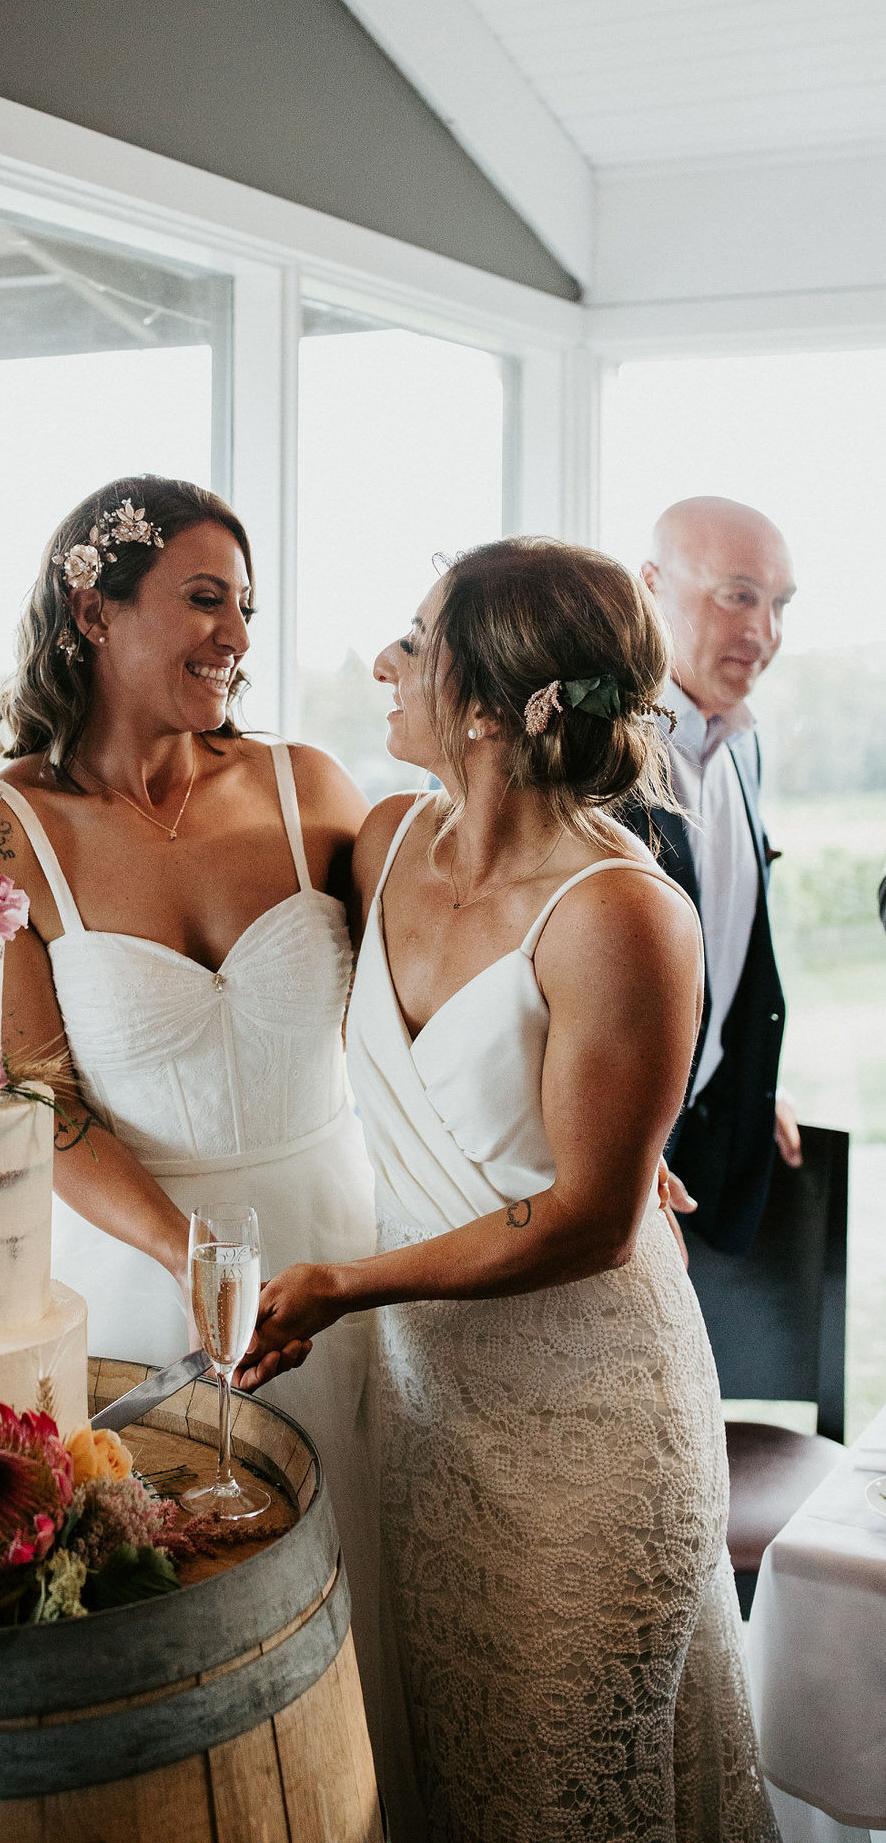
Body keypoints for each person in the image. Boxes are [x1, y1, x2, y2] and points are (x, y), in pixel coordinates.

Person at [246, 537, 779, 1841]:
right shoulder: (379, 843)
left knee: (562, 1797)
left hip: (591, 1431)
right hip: (433, 1427)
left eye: (414, 644)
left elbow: (596, 1226)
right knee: (461, 1773)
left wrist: (341, 1285)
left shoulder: (618, 915)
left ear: (488, 703)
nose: (381, 663)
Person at [0, 476, 392, 1779]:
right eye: (204, 600)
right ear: (92, 610)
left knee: (353, 1581)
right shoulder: (0, 829)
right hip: (138, 1265)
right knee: (181, 1635)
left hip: (339, 1249)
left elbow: (438, 992)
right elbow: (44, 1095)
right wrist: (188, 1256)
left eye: (245, 608)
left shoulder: (307, 786)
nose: (237, 636)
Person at [634, 496, 799, 1255]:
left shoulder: (743, 748)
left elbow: (725, 939)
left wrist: (743, 1084)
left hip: (696, 1157)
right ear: (650, 587)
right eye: (737, 595)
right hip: (595, 1175)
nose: (761, 633)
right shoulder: (585, 754)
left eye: (777, 604)